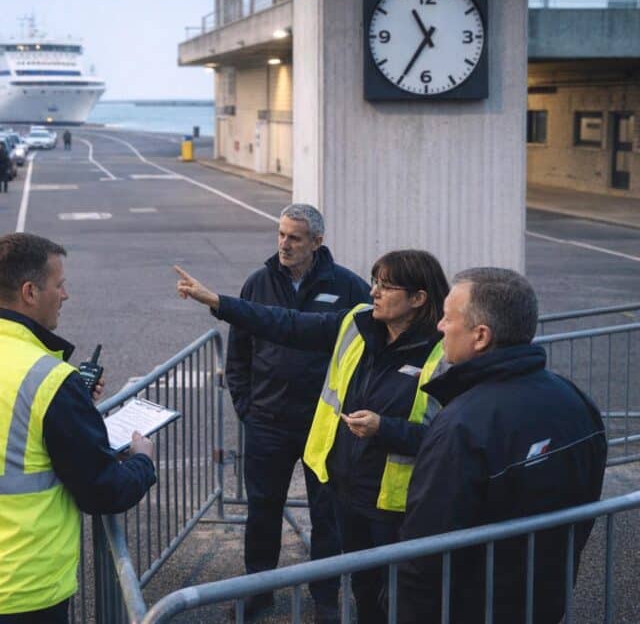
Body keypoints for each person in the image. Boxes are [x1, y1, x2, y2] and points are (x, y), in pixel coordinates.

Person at [176, 250, 449, 624]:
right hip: (349, 491)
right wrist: (219, 303)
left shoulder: (442, 354)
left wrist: (384, 429)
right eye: (375, 282)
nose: (374, 293)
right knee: (365, 592)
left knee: (400, 598)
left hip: (395, 505)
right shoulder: (357, 323)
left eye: (386, 286)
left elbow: (445, 438)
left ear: (418, 298)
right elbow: (286, 324)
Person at [0, 232, 157, 622]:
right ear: (29, 292)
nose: (66, 295)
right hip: (18, 592)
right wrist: (143, 461)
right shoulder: (50, 380)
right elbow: (103, 491)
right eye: (60, 285)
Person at [396, 268, 607, 624]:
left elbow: (426, 550)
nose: (440, 327)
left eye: (448, 318)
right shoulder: (575, 400)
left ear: (481, 336)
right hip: (544, 600)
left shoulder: (461, 425)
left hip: (472, 609)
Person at [226, 204, 370, 622]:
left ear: (317, 243)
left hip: (322, 425)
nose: (284, 244)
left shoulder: (348, 287)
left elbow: (364, 353)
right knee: (263, 510)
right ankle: (257, 592)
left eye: (294, 237)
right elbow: (238, 352)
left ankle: (325, 594)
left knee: (328, 513)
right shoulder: (258, 283)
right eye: (281, 235)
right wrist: (246, 406)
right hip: (267, 422)